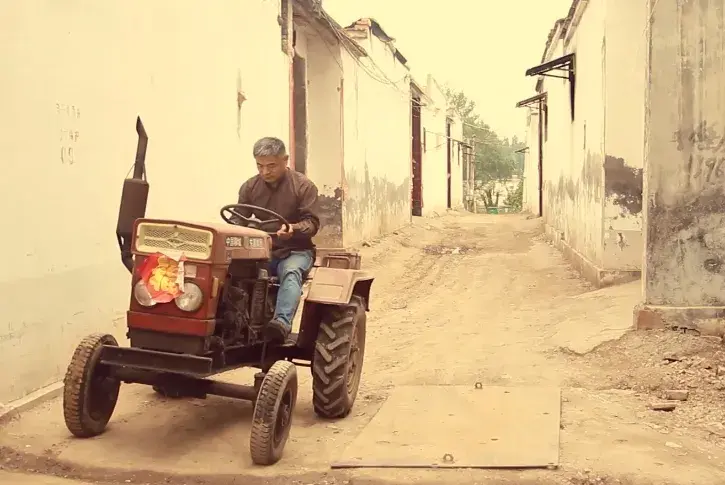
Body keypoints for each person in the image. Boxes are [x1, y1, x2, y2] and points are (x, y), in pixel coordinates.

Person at [236, 136, 321, 343]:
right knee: (232, 270)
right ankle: (236, 323)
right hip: (262, 250)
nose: (265, 171)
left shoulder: (303, 186)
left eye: (271, 165)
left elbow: (312, 223)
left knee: (291, 271)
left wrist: (293, 229)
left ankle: (281, 324)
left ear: (285, 160)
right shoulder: (249, 187)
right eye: (260, 166)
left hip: (296, 250)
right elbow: (238, 218)